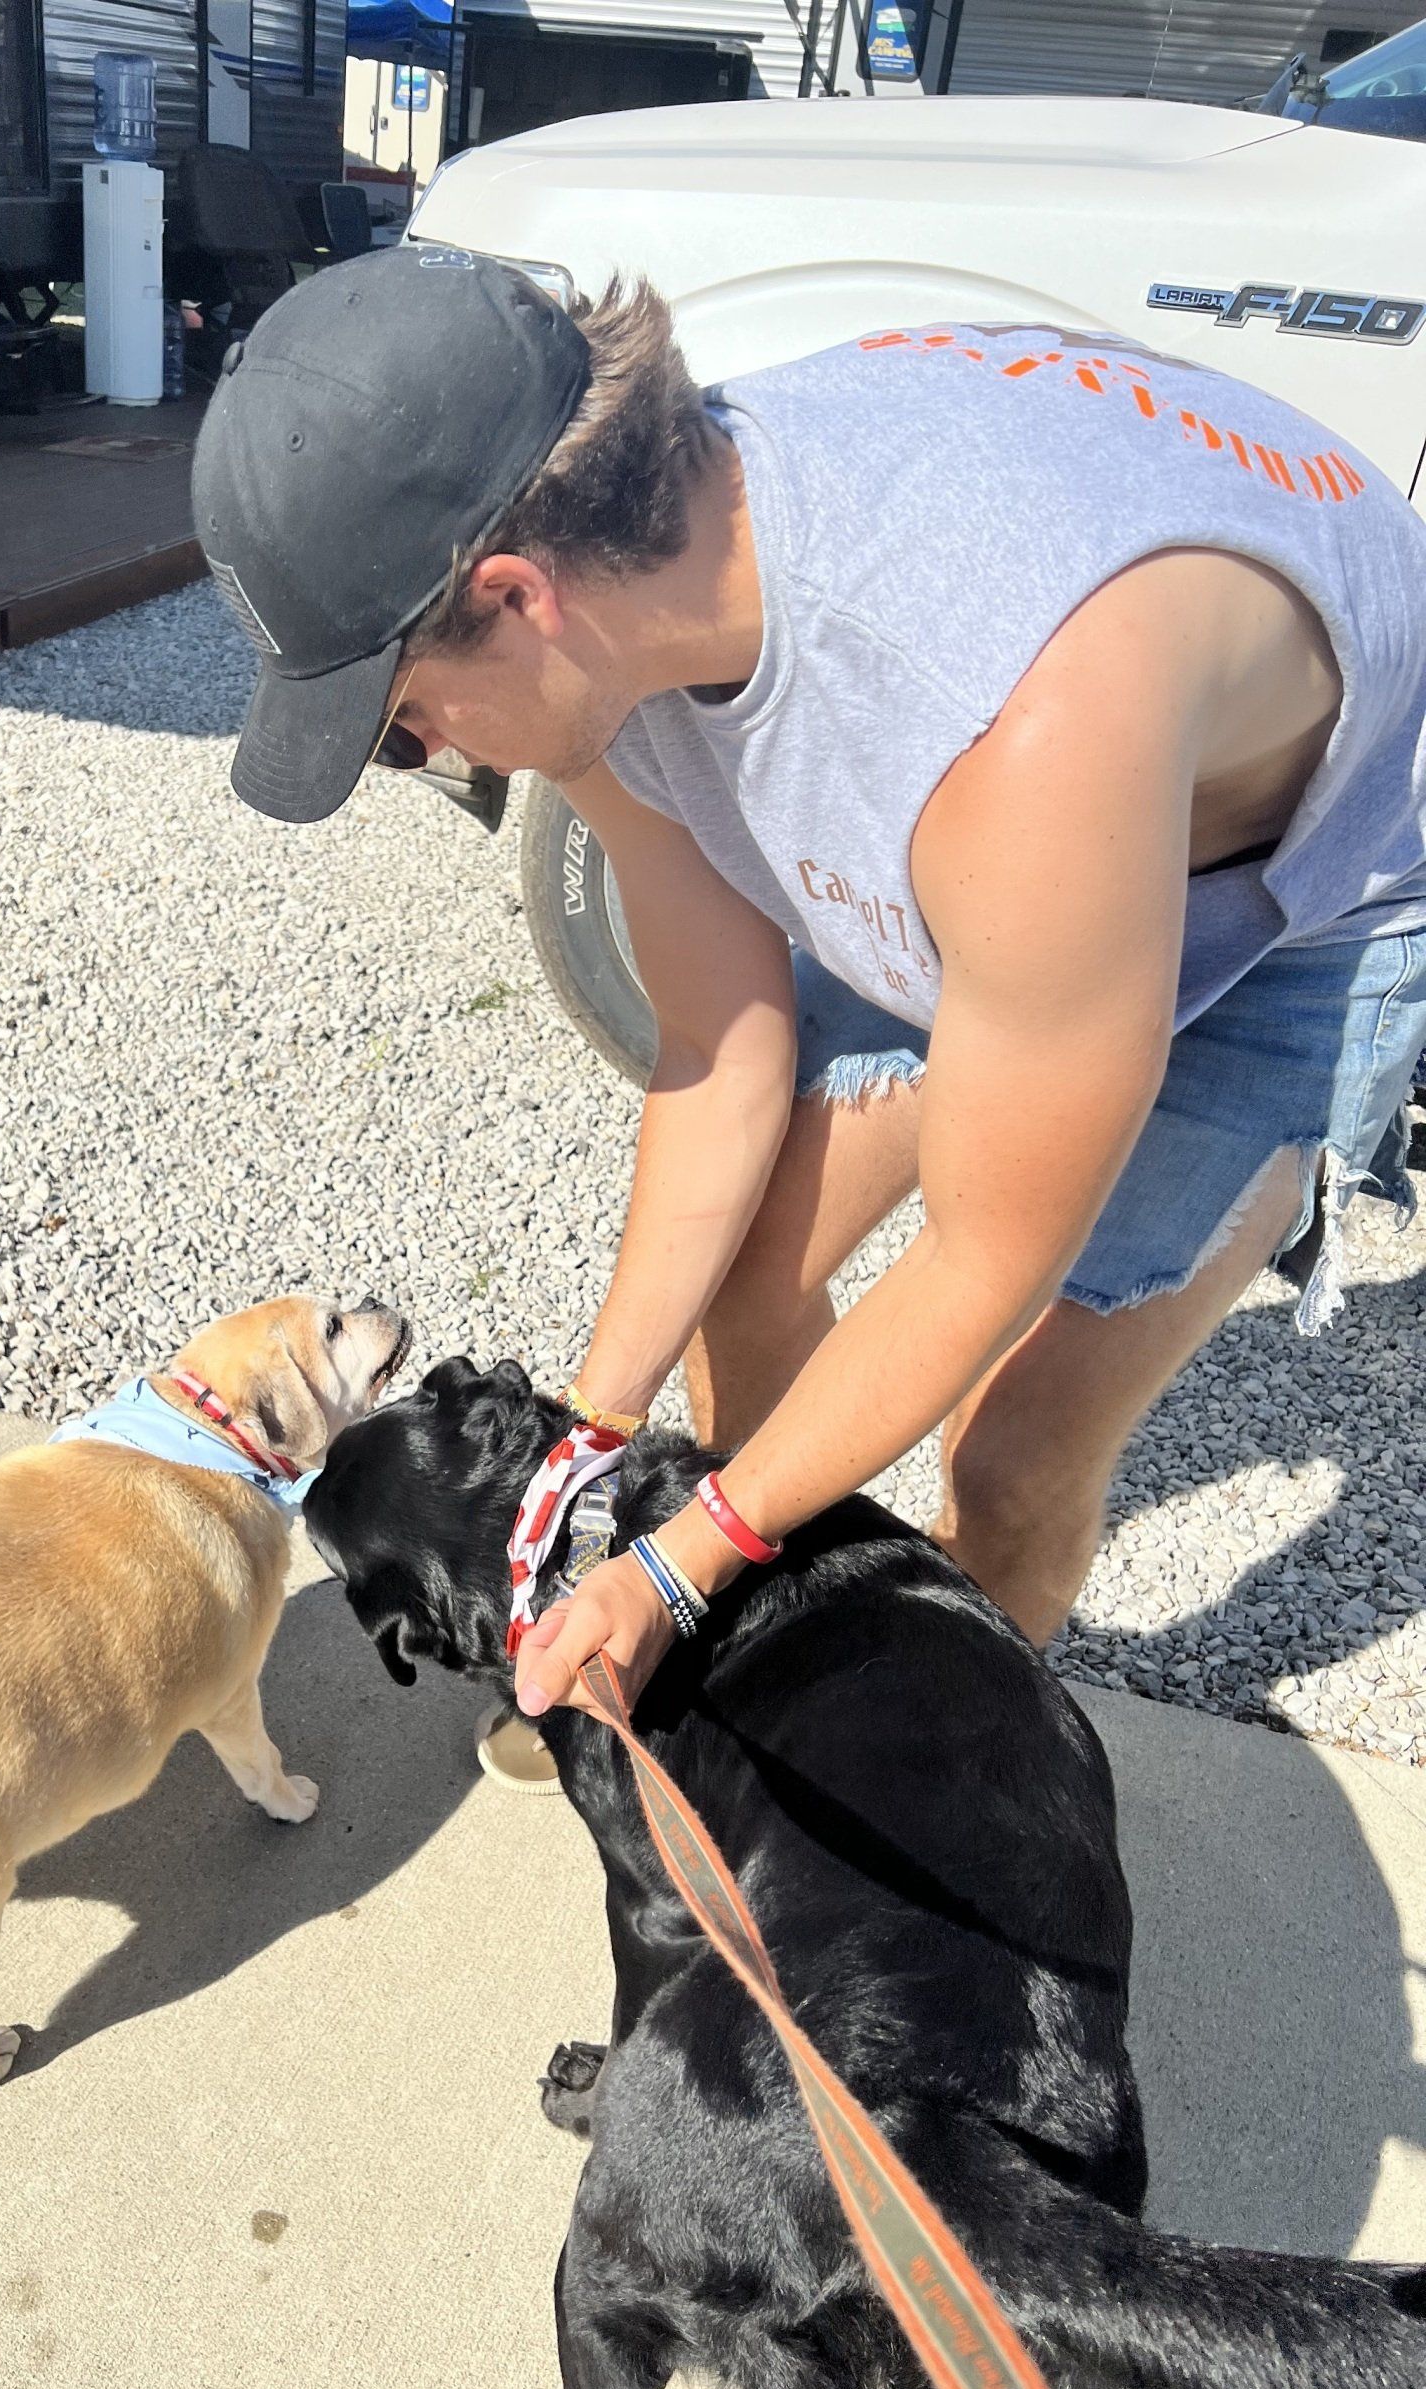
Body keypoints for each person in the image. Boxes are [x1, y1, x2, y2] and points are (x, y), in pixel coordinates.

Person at [191, 250, 1426, 1785]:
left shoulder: (1013, 723)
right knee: (751, 1287)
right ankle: (746, 1642)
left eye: (399, 724)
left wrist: (675, 1557)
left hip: (1288, 888)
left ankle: (939, 1776)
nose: (424, 750)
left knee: (1014, 1451)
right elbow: (722, 1054)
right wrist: (595, 1435)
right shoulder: (608, 605)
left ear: (516, 596)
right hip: (1017, 823)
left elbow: (983, 1256)